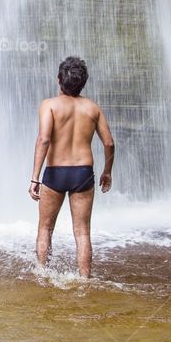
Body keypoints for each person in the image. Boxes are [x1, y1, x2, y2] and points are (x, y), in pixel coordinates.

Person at [29, 56, 114, 278]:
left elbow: (44, 139)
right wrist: (107, 171)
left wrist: (34, 178)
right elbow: (109, 143)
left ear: (59, 80)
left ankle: (43, 274)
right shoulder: (92, 108)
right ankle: (85, 280)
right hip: (83, 173)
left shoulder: (49, 105)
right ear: (83, 82)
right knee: (83, 233)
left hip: (56, 172)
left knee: (45, 229)